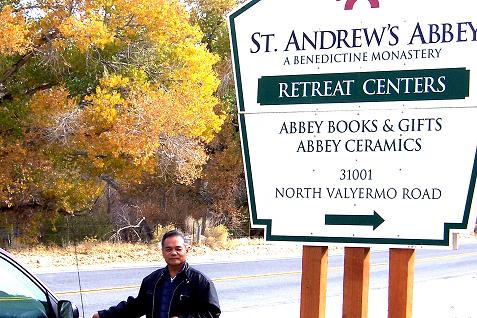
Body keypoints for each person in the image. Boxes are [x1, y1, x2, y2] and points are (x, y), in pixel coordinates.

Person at [91, 230, 221, 318]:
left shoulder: (200, 281)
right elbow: (136, 307)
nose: (173, 253)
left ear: (187, 250)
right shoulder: (152, 280)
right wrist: (104, 315)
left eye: (178, 249)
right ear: (163, 252)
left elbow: (212, 313)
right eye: (168, 249)